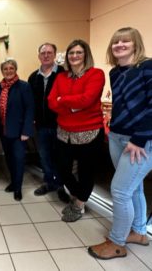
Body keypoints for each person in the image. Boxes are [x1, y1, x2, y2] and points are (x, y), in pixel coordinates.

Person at [88, 27, 152, 259]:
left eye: (126, 41)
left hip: (141, 141)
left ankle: (116, 243)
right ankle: (139, 232)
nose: (120, 45)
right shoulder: (115, 73)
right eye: (116, 42)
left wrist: (139, 138)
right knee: (133, 188)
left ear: (136, 44)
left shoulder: (147, 67)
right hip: (117, 136)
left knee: (120, 190)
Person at [48, 39, 105, 222]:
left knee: (86, 171)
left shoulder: (96, 74)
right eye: (71, 53)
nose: (74, 56)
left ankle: (79, 204)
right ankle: (77, 195)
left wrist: (62, 100)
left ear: (86, 54)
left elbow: (87, 100)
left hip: (89, 132)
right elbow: (51, 102)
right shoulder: (61, 77)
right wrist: (72, 104)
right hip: (64, 132)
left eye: (78, 52)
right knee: (62, 169)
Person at [28, 43, 69, 202]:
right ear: (39, 56)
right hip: (41, 125)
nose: (46, 55)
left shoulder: (64, 74)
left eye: (49, 52)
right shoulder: (33, 77)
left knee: (60, 157)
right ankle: (48, 182)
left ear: (54, 54)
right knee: (44, 156)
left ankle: (60, 185)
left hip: (61, 124)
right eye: (43, 53)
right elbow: (30, 102)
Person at [0, 58, 34, 201]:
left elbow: (29, 109)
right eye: (5, 69)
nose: (8, 71)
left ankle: (18, 188)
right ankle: (13, 182)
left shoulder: (24, 86)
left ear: (15, 70)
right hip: (4, 131)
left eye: (11, 68)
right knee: (9, 159)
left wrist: (26, 131)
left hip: (19, 132)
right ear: (2, 71)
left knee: (18, 159)